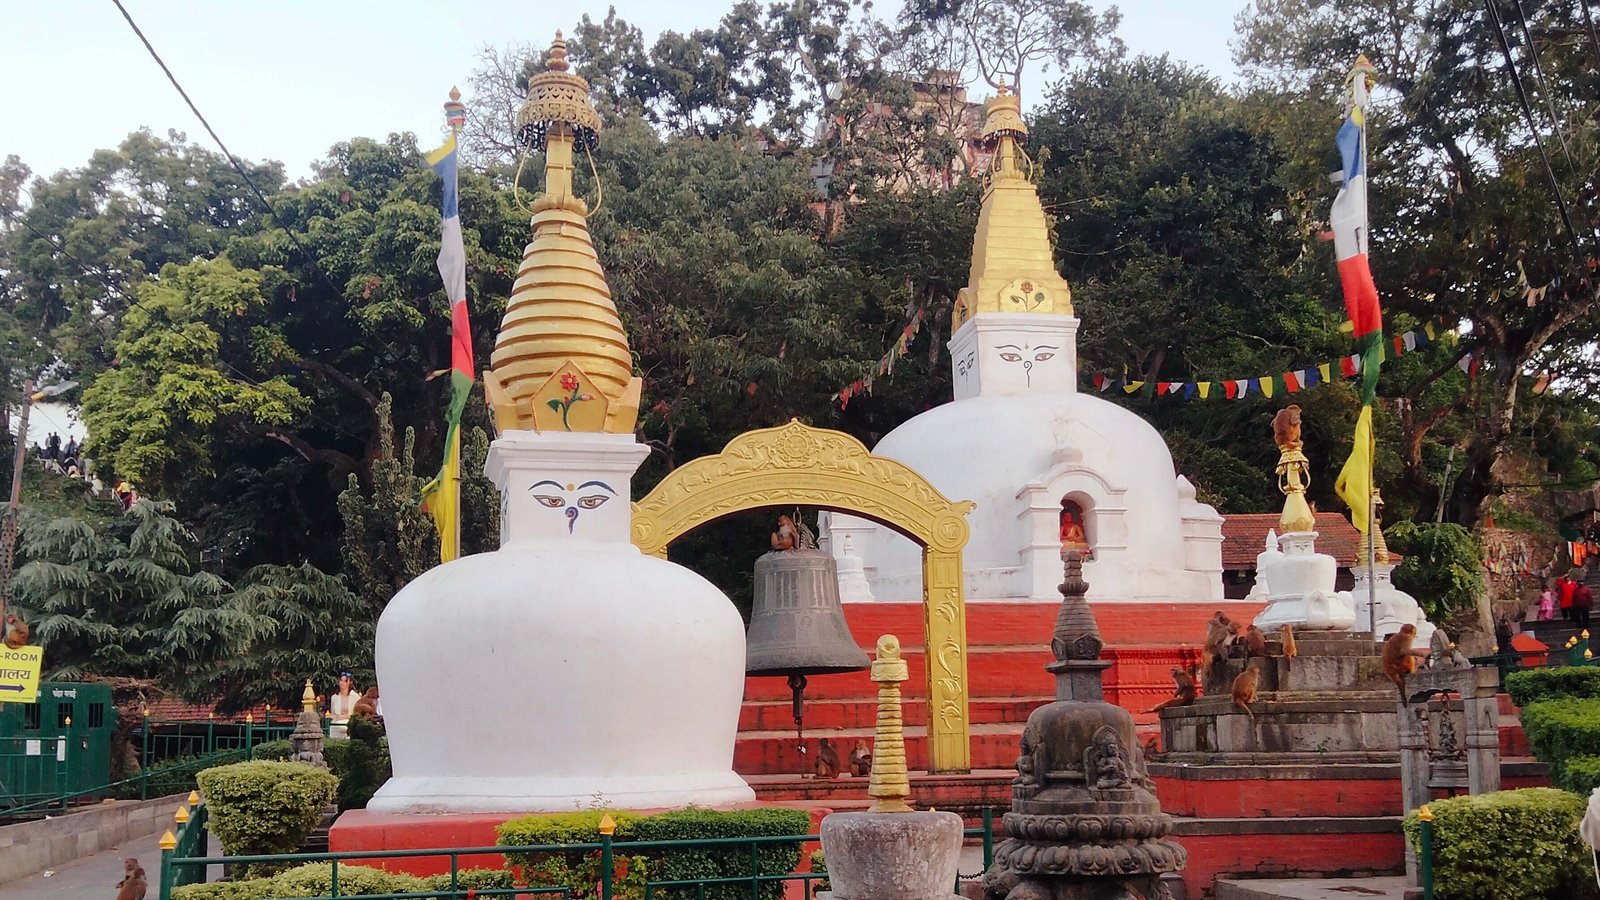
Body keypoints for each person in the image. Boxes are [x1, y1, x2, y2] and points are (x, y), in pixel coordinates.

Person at [328, 672, 359, 739]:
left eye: (345, 681)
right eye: (341, 680)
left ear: (349, 683)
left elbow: (357, 714)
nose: (342, 683)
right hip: (336, 724)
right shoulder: (334, 697)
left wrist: (344, 716)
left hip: (349, 724)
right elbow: (333, 715)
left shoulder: (355, 697)